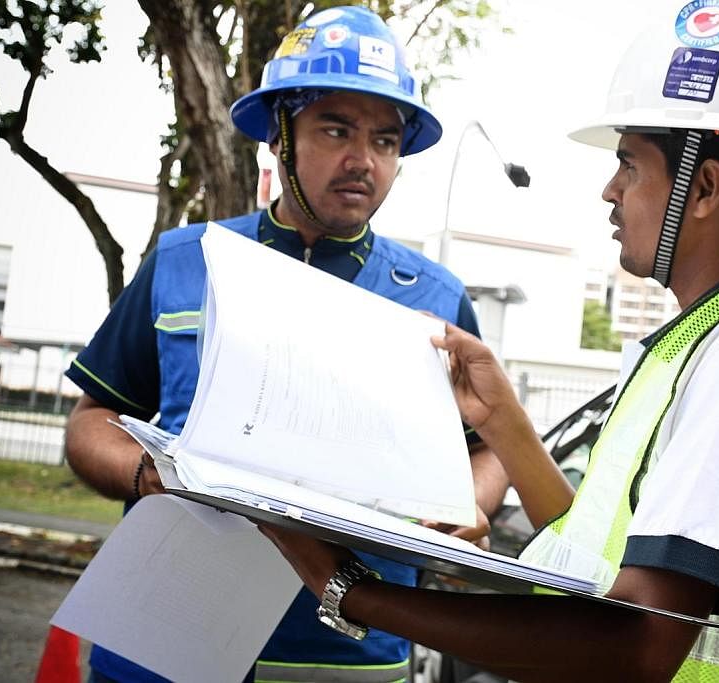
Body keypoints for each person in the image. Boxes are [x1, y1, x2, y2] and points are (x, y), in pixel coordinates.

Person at [259, 2, 719, 681]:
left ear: (702, 188)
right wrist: (504, 424)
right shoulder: (718, 340)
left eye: (630, 166)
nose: (609, 190)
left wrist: (356, 592)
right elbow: (596, 562)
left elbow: (637, 640)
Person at [63, 6, 508, 682]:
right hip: (165, 644)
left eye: (386, 141)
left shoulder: (437, 299)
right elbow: (91, 420)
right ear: (279, 135)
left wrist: (468, 504)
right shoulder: (186, 260)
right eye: (336, 130)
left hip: (345, 657)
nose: (364, 161)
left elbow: (488, 456)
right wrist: (146, 472)